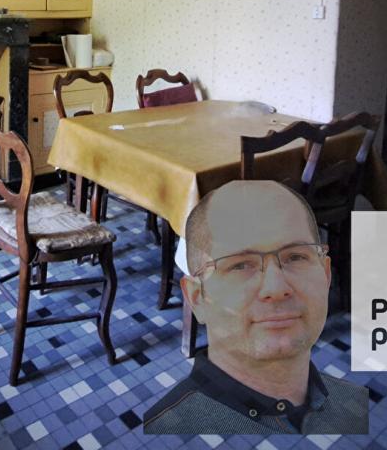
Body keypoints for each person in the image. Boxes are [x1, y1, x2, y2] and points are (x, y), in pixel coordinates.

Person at [144, 180, 369, 435]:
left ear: (325, 275)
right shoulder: (164, 431)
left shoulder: (355, 407)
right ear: (197, 298)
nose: (276, 287)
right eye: (240, 265)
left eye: (296, 256)